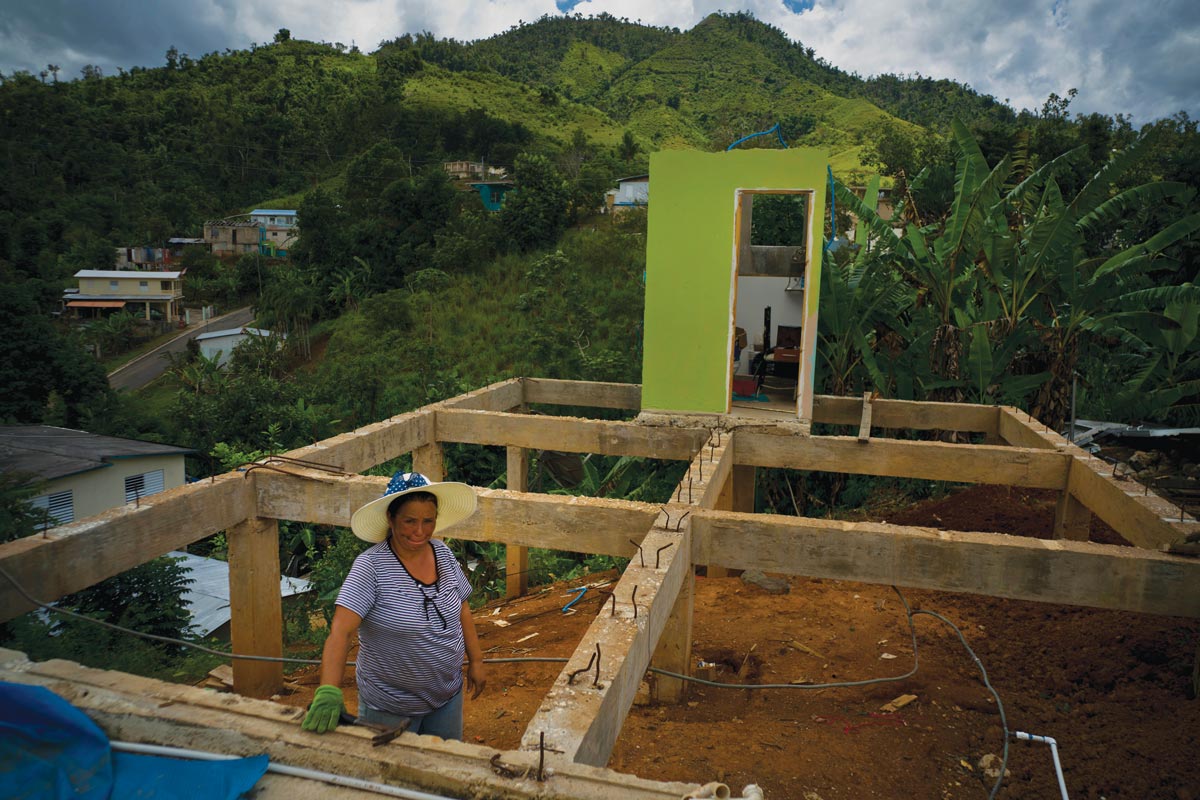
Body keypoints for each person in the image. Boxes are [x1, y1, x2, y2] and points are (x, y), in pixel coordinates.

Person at [301, 471, 486, 739]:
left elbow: (462, 608)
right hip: (390, 707)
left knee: (441, 770)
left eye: (428, 521)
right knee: (391, 776)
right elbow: (341, 631)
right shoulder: (371, 568)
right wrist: (329, 690)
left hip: (447, 695)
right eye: (410, 521)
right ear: (391, 518)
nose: (420, 531)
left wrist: (477, 660)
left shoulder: (443, 554)